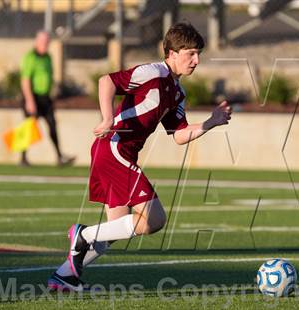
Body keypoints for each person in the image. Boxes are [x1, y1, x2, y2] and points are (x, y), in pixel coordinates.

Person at [47, 22, 232, 291]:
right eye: (190, 53)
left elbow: (178, 134)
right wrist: (108, 116)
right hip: (114, 148)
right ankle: (82, 234)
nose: (196, 60)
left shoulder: (178, 92)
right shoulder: (153, 72)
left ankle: (64, 276)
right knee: (154, 220)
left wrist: (210, 122)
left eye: (198, 53)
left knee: (116, 228)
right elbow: (106, 81)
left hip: (118, 152)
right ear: (171, 53)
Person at [20, 30, 75, 166]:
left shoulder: (47, 57)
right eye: (43, 41)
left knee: (52, 126)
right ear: (37, 42)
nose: (45, 44)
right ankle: (23, 158)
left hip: (46, 98)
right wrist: (30, 101)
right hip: (33, 97)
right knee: (29, 128)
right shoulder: (31, 57)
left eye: (47, 42)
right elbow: (25, 80)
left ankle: (59, 156)